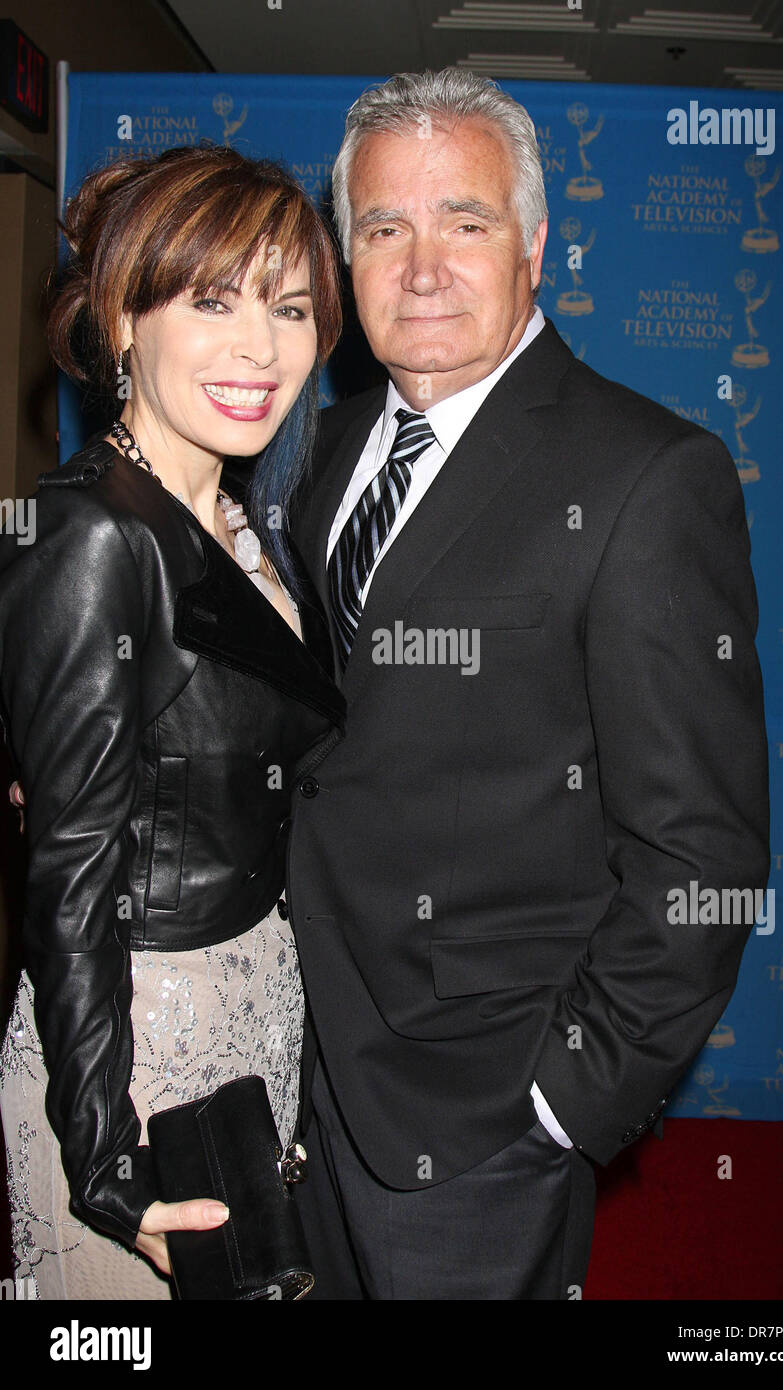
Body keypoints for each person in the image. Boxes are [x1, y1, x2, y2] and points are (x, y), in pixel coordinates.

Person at [287, 70, 770, 1300]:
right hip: (301, 1066)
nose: (423, 265)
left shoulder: (647, 475)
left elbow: (704, 857)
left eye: (467, 220)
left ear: (536, 246)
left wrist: (563, 1101)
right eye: (386, 227)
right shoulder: (325, 445)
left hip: (482, 1114)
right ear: (348, 256)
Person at [0, 145, 344, 1299]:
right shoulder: (98, 535)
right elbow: (70, 872)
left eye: (291, 306)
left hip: (252, 996)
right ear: (123, 316)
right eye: (213, 300)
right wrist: (104, 1157)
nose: (263, 346)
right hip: (139, 1043)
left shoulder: (242, 518)